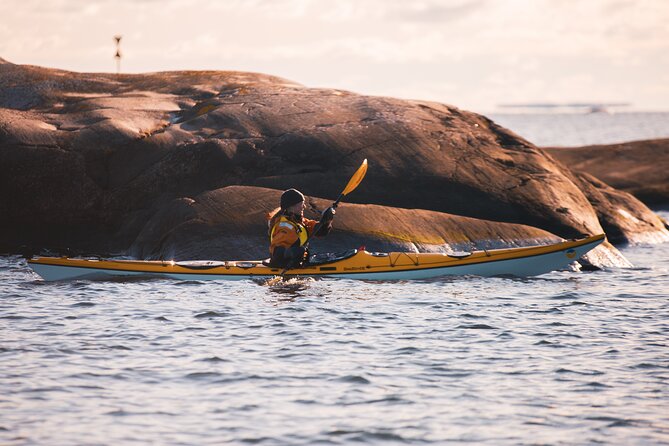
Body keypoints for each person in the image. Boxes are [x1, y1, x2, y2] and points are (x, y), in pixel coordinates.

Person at [267, 188, 335, 268]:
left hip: (297, 263)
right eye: (301, 204)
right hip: (284, 266)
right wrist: (292, 252)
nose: (304, 207)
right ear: (292, 207)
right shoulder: (285, 227)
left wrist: (327, 220)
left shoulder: (299, 221)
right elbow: (277, 254)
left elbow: (320, 231)